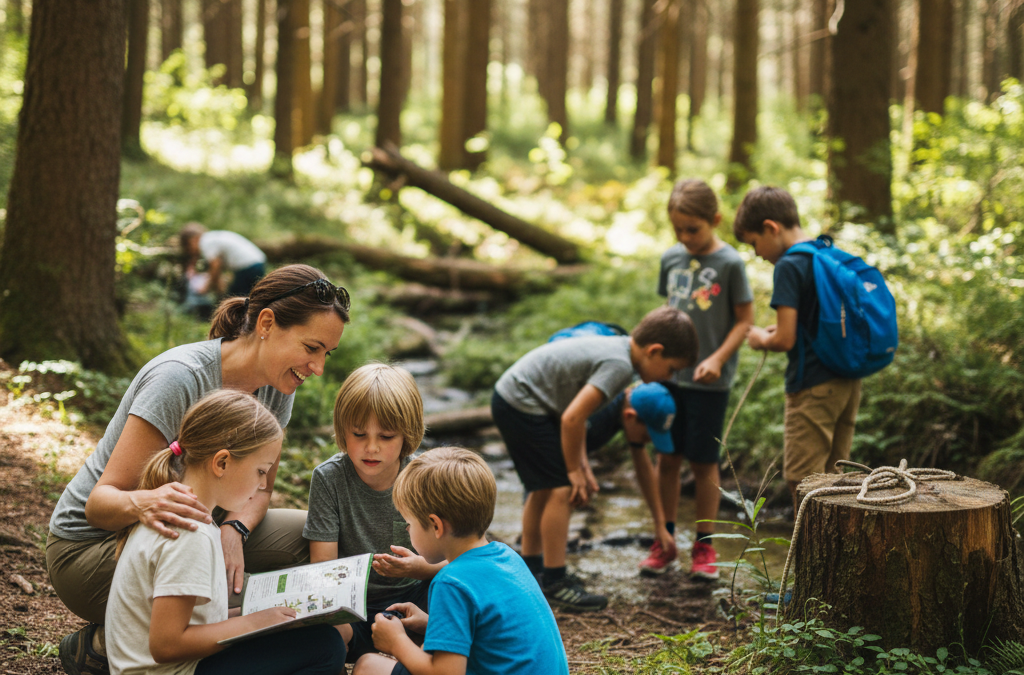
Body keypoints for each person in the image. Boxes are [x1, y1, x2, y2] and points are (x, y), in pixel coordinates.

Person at [48, 264, 350, 675]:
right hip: (90, 551)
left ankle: (205, 628)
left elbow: (261, 490)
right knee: (198, 561)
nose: (318, 367)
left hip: (190, 527)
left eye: (326, 354)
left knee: (305, 534)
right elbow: (100, 504)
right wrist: (148, 504)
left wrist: (234, 529)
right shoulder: (180, 379)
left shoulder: (278, 386)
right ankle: (107, 645)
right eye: (311, 348)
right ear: (266, 323)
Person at [105, 389, 348, 675]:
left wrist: (260, 616)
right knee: (325, 648)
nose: (261, 486)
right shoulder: (189, 533)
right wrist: (254, 623)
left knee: (317, 639)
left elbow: (196, 622)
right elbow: (166, 645)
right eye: (260, 471)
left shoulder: (180, 513)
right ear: (222, 463)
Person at [491, 305, 699, 611]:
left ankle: (533, 569)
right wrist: (575, 471)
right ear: (654, 351)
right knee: (561, 488)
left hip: (516, 398)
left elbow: (575, 419)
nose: (669, 377)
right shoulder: (620, 366)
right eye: (671, 369)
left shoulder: (619, 352)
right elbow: (573, 419)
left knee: (542, 487)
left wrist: (579, 467)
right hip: (524, 402)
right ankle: (555, 580)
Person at [353, 447, 570, 675]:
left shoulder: (451, 582)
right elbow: (492, 632)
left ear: (436, 525)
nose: (408, 530)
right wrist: (431, 625)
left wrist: (396, 641)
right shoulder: (506, 556)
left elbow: (446, 673)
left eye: (409, 523)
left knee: (368, 665)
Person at [640, 178, 754, 578]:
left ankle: (704, 547)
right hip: (669, 377)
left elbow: (745, 321)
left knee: (704, 463)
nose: (686, 238)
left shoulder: (731, 263)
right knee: (667, 458)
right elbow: (666, 310)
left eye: (694, 229)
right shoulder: (672, 258)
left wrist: (719, 359)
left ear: (715, 220)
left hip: (709, 382)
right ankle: (664, 539)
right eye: (679, 230)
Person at [732, 186, 861, 514]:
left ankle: (808, 564)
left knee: (803, 483)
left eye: (754, 242)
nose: (757, 253)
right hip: (847, 381)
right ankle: (835, 561)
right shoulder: (826, 252)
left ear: (771, 228)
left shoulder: (789, 265)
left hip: (813, 385)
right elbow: (818, 320)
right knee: (834, 480)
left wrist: (762, 338)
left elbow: (785, 340)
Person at [303, 363, 442, 664]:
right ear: (342, 431)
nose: (371, 448)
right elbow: (323, 568)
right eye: (359, 434)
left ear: (408, 434)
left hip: (416, 601)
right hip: (354, 607)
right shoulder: (329, 479)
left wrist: (419, 569)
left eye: (387, 436)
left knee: (454, 591)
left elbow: (457, 560)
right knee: (327, 631)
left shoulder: (423, 478)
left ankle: (418, 657)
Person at [583, 382, 681, 572]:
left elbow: (643, 469)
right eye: (648, 435)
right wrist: (581, 470)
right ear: (630, 417)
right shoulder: (598, 417)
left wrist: (661, 526)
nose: (650, 441)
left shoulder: (628, 411)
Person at [180, 223, 267, 298]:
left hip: (249, 266)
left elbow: (215, 266)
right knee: (243, 296)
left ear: (193, 239)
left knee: (238, 299)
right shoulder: (212, 238)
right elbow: (219, 267)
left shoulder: (205, 241)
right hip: (255, 263)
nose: (190, 251)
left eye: (189, 247)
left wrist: (205, 287)